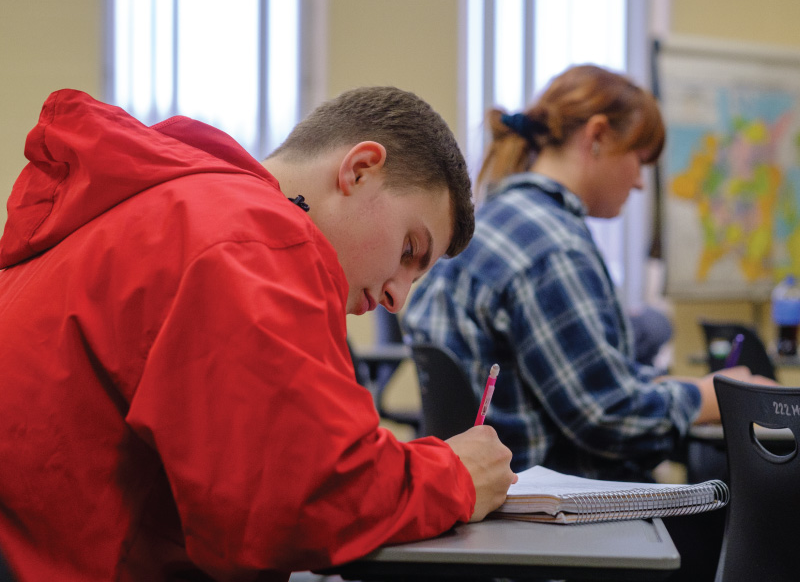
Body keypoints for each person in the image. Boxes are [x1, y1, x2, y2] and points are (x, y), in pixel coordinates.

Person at [0, 87, 516, 582]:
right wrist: (455, 477)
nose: (397, 298)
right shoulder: (253, 239)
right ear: (359, 171)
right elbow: (292, 504)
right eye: (409, 250)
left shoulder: (162, 206)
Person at [402, 65, 775, 580]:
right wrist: (710, 396)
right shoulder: (552, 245)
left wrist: (669, 388)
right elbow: (609, 421)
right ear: (597, 137)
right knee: (765, 516)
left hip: (496, 518)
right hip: (559, 520)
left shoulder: (496, 221)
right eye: (639, 160)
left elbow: (578, 386)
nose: (641, 181)